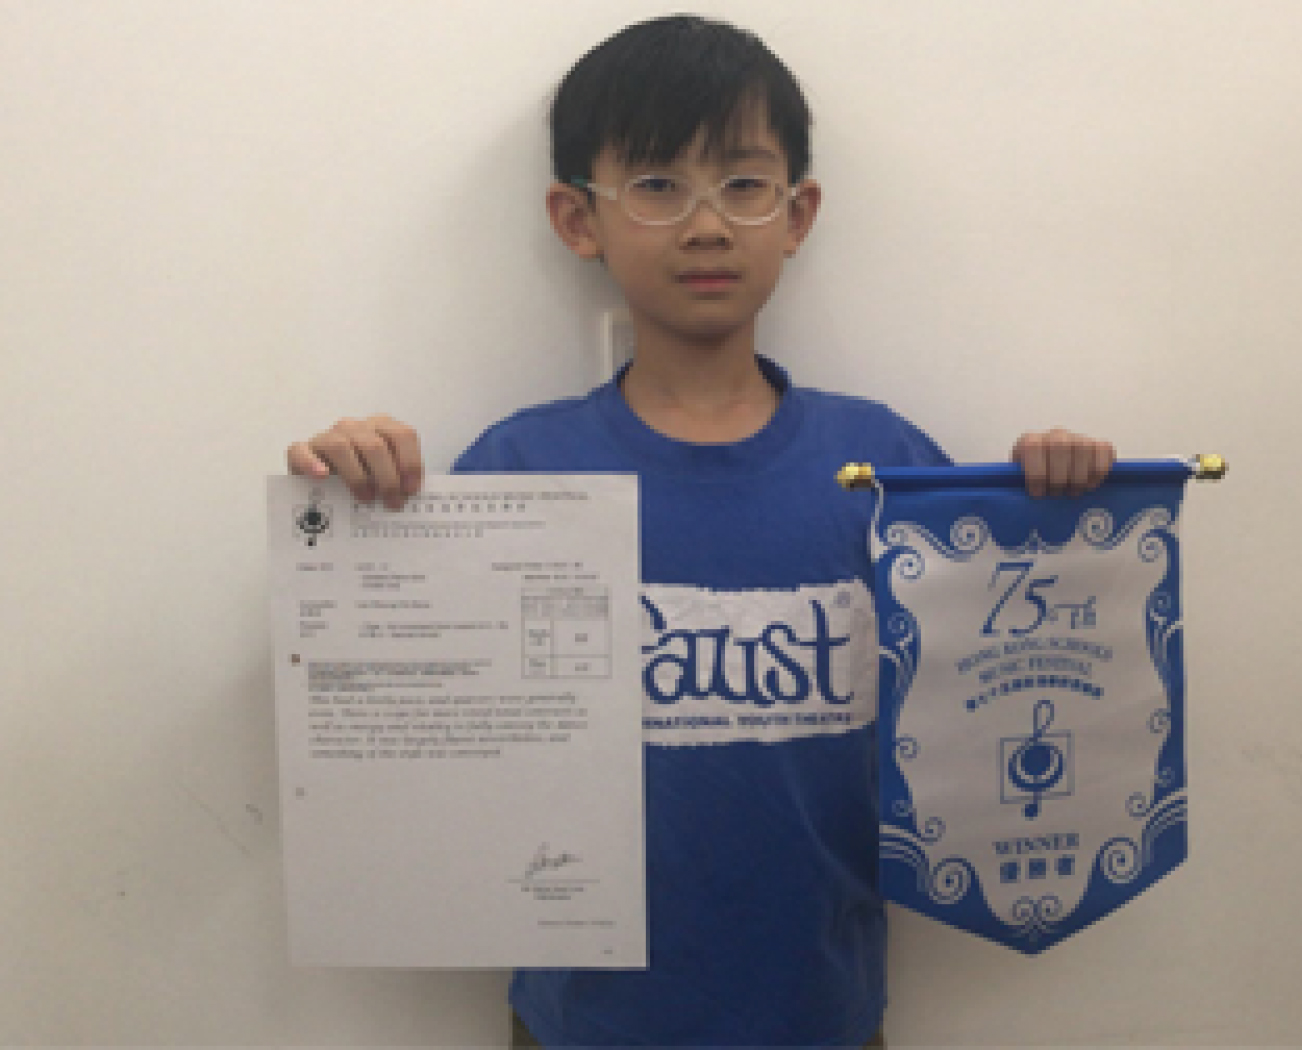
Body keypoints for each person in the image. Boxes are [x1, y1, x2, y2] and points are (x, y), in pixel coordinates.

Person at [287, 15, 1114, 1048]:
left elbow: (1006, 697)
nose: (707, 224)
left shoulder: (885, 465)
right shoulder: (519, 471)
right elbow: (409, 727)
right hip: (582, 1025)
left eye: (743, 183)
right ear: (577, 219)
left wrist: (1057, 512)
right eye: (656, 184)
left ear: (796, 213)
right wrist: (350, 508)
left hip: (821, 1014)